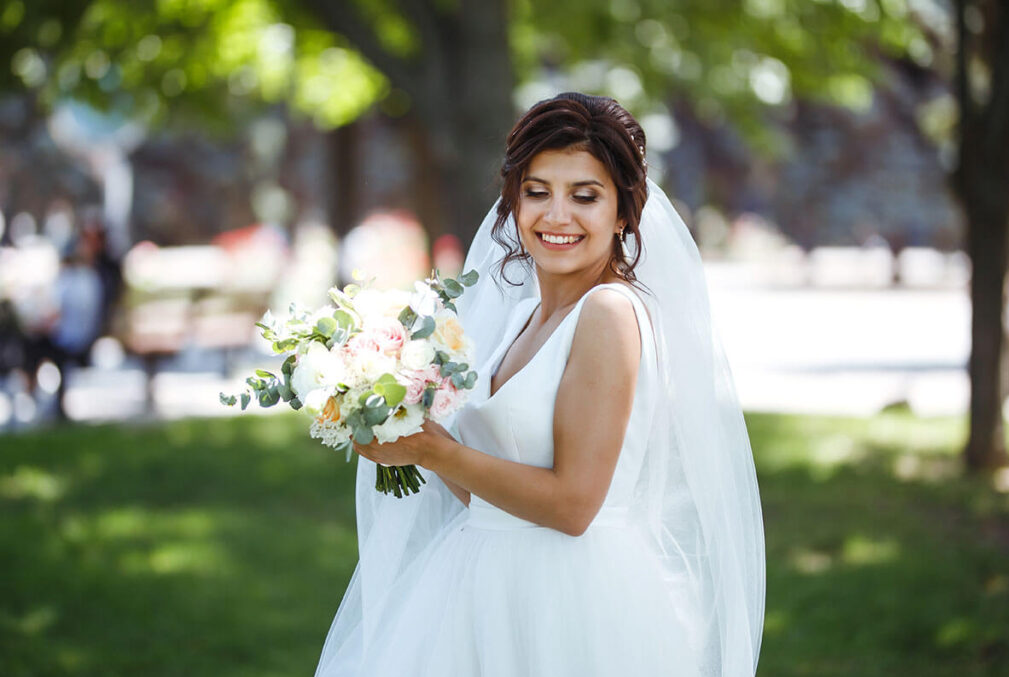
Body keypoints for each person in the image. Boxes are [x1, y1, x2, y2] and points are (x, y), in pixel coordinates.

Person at [314, 92, 765, 677]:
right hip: (477, 585)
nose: (557, 216)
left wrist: (436, 449)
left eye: (585, 196)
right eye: (537, 192)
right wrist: (408, 432)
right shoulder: (520, 320)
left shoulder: (607, 314)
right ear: (513, 202)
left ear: (624, 212)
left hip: (567, 599)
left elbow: (575, 504)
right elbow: (486, 492)